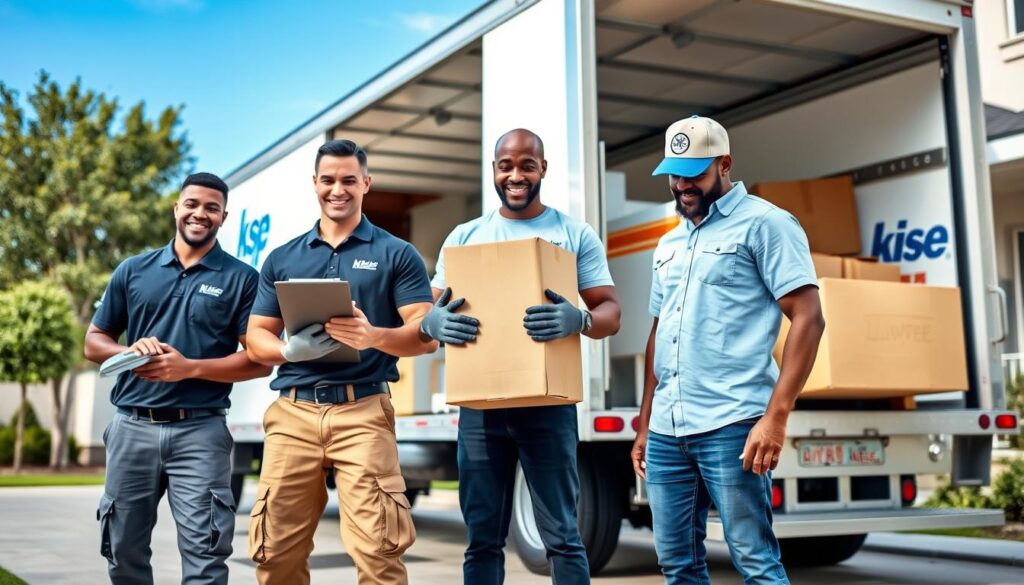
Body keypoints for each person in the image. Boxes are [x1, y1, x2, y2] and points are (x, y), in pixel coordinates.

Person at [630, 116, 825, 585]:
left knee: (755, 561)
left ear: (724, 164)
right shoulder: (669, 242)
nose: (682, 185)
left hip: (732, 422)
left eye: (694, 173)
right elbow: (660, 334)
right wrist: (644, 424)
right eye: (674, 174)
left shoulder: (766, 224)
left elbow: (809, 317)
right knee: (677, 564)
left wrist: (775, 416)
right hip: (666, 430)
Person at [420, 128, 621, 585]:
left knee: (564, 538)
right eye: (506, 165)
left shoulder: (572, 234)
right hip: (481, 410)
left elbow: (611, 311)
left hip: (548, 408)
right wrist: (431, 323)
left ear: (543, 169)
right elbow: (427, 312)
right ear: (493, 170)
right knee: (482, 539)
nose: (516, 175)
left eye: (527, 165)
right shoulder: (465, 236)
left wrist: (580, 320)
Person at [244, 139, 436, 585]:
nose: (338, 189)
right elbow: (256, 338)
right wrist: (288, 351)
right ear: (314, 184)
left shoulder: (397, 254)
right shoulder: (283, 258)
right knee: (274, 552)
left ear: (366, 183)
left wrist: (375, 336)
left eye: (349, 180)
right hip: (293, 413)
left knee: (379, 551)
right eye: (328, 180)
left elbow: (425, 336)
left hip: (364, 412)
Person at [84, 172, 271, 585]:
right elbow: (94, 341)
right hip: (132, 426)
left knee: (206, 556)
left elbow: (260, 361)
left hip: (200, 431)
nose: (199, 214)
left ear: (224, 216)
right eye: (192, 204)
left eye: (211, 208)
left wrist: (190, 367)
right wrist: (130, 354)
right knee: (122, 549)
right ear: (176, 207)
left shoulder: (242, 279)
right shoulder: (134, 270)